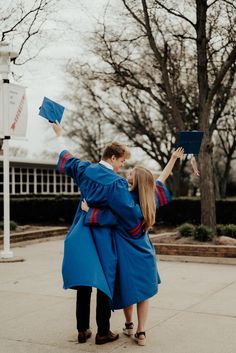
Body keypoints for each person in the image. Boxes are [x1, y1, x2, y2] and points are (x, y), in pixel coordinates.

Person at [52, 122, 145, 345]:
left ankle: (83, 330)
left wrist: (59, 135)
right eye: (122, 161)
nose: (122, 167)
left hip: (81, 232)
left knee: (84, 282)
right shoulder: (116, 183)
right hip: (103, 236)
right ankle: (103, 331)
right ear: (113, 157)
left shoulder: (85, 170)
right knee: (104, 281)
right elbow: (129, 215)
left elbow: (67, 157)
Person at [81, 148, 184, 346]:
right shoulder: (150, 200)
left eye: (130, 174)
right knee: (143, 294)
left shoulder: (124, 203)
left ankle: (128, 324)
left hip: (127, 255)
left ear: (135, 181)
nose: (126, 174)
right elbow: (161, 178)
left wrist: (88, 211)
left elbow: (104, 218)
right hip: (145, 253)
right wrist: (172, 159)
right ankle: (141, 332)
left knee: (129, 291)